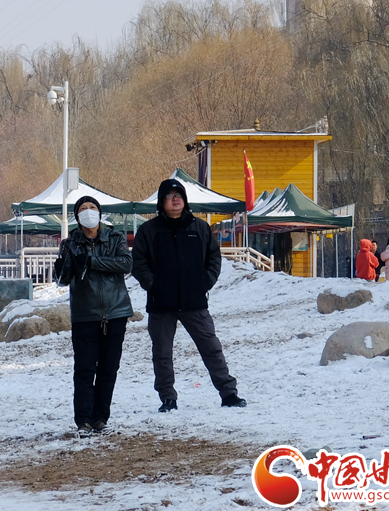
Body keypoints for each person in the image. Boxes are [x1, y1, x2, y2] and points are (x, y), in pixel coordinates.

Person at [132, 179, 245, 412]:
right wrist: (153, 285)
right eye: (169, 196)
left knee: (211, 347)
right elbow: (138, 263)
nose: (175, 199)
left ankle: (229, 393)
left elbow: (213, 258)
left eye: (179, 195)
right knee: (162, 353)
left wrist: (204, 282)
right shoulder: (148, 230)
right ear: (161, 202)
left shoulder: (200, 228)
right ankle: (168, 398)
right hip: (161, 303)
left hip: (194, 302)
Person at [53, 195, 133, 436]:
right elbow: (63, 280)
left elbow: (125, 264)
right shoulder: (70, 243)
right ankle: (84, 420)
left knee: (109, 368)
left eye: (92, 207)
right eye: (83, 209)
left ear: (99, 212)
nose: (88, 212)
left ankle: (100, 418)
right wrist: (62, 268)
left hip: (115, 311)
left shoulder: (115, 238)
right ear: (77, 216)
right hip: (84, 314)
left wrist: (91, 261)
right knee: (85, 369)